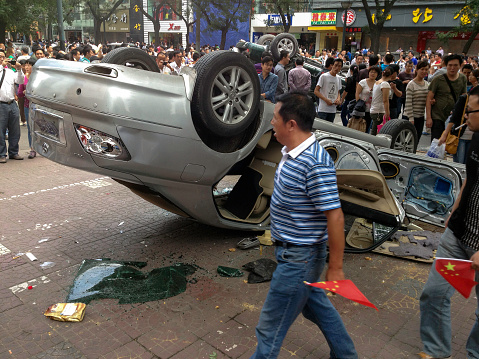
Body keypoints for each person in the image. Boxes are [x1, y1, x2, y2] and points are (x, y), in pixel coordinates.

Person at [250, 91, 358, 359]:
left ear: (291, 124)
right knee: (316, 307)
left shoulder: (314, 163)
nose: (271, 123)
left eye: (275, 118)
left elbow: (335, 216)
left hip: (300, 257)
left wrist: (336, 267)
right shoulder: (291, 151)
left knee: (269, 328)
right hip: (295, 254)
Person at [419, 84, 479, 359]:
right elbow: (470, 180)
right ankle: (436, 350)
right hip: (458, 236)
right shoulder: (476, 138)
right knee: (434, 293)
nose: (466, 117)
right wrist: (454, 211)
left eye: (472, 111)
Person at [437, 68, 479, 164]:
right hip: (461, 137)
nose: (468, 116)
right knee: (459, 165)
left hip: (472, 138)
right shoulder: (465, 98)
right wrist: (445, 134)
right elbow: (454, 117)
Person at [426, 54, 467, 141]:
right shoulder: (438, 79)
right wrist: (428, 118)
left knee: (450, 144)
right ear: (446, 65)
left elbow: (464, 97)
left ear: (460, 66)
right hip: (438, 116)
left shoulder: (462, 78)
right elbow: (429, 99)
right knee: (436, 144)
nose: (452, 68)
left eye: (455, 65)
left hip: (454, 117)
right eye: (450, 65)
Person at [0, 51, 25, 163]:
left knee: (15, 130)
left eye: (3, 57)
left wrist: (19, 69)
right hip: (1, 104)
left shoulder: (10, 72)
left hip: (12, 103)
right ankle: (2, 154)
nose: (2, 59)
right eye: (0, 57)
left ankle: (13, 152)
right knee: (0, 131)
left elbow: (20, 81)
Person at [404, 60, 430, 143]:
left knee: (416, 141)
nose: (424, 71)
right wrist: (411, 119)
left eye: (426, 69)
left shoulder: (427, 84)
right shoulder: (411, 84)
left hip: (420, 117)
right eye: (422, 69)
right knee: (406, 142)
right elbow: (408, 103)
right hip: (409, 117)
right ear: (417, 69)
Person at [17, 58, 36, 159]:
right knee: (30, 128)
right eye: (26, 65)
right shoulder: (23, 78)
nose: (27, 67)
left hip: (38, 106)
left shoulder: (38, 78)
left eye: (29, 65)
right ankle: (32, 149)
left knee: (39, 128)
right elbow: (19, 93)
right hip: (27, 106)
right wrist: (24, 92)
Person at [314, 58, 342, 122]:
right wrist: (326, 100)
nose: (337, 68)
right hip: (323, 109)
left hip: (332, 110)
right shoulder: (324, 76)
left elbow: (338, 91)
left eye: (339, 66)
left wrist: (338, 99)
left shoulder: (338, 78)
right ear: (332, 65)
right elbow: (316, 91)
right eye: (336, 65)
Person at [356, 66, 380, 132]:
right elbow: (357, 93)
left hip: (372, 109)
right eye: (371, 72)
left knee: (368, 127)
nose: (373, 74)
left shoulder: (378, 84)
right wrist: (358, 105)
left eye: (375, 72)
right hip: (362, 108)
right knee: (360, 127)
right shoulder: (362, 82)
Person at [370, 67, 393, 135]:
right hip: (380, 111)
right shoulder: (385, 84)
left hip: (374, 109)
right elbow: (385, 100)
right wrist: (387, 112)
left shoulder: (376, 83)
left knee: (374, 130)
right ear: (391, 76)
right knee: (377, 132)